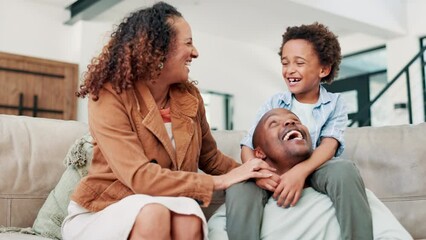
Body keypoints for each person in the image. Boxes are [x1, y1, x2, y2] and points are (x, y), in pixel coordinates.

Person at [60, 2, 273, 240]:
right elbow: (140, 176)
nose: (195, 52)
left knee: (190, 217)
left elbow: (210, 158)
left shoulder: (190, 97)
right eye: (188, 43)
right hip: (106, 208)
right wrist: (221, 181)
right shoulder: (110, 94)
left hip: (167, 201)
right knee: (154, 214)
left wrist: (255, 172)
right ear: (158, 50)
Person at [226, 22, 373, 240]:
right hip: (276, 167)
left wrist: (300, 172)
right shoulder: (275, 102)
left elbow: (329, 145)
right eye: (285, 63)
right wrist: (259, 174)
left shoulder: (335, 103)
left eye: (299, 63)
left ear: (323, 69)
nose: (290, 70)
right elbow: (249, 145)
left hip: (316, 167)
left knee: (344, 170)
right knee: (239, 188)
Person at [208, 108, 412, 240]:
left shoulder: (350, 190)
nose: (289, 123)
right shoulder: (239, 203)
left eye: (294, 120)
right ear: (259, 152)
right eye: (274, 123)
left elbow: (394, 235)